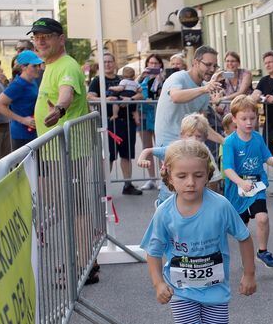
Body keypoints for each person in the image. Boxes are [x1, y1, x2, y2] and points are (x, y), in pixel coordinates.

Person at [141, 139, 257, 324]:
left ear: (208, 174)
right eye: (182, 176)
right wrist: (158, 283)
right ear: (169, 174)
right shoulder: (165, 212)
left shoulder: (220, 206)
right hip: (181, 290)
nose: (190, 182)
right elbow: (153, 251)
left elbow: (243, 236)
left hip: (215, 289)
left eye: (198, 175)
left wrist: (249, 274)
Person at [222, 95, 273, 269]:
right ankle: (244, 257)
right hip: (237, 189)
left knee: (262, 218)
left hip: (257, 186)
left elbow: (266, 156)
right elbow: (228, 169)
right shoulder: (230, 142)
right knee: (241, 228)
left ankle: (263, 251)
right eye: (244, 119)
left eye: (252, 118)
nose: (249, 122)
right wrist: (240, 182)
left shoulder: (257, 137)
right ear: (234, 119)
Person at [88, 53, 144, 195]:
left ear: (114, 63)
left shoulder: (123, 79)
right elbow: (90, 97)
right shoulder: (97, 80)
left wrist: (130, 100)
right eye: (105, 62)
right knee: (109, 155)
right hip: (109, 122)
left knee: (127, 155)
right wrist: (105, 99)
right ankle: (103, 187)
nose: (107, 64)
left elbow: (140, 94)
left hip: (127, 121)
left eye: (110, 61)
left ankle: (127, 184)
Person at [138, 113, 219, 208]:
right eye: (190, 135)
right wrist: (141, 159)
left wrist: (212, 200)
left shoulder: (204, 153)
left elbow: (214, 178)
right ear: (182, 135)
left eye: (198, 136)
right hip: (167, 198)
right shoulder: (174, 149)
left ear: (205, 137)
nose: (194, 139)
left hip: (189, 199)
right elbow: (148, 150)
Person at [30, 18, 89, 135]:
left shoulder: (67, 66)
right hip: (55, 148)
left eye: (46, 36)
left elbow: (67, 93)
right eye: (36, 37)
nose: (40, 42)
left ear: (61, 39)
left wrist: (58, 110)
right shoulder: (52, 64)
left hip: (69, 149)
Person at [0, 50, 42, 152]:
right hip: (21, 134)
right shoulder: (18, 84)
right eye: (34, 66)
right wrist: (23, 120)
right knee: (25, 167)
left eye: (39, 65)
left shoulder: (32, 81)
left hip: (33, 131)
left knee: (35, 166)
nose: (38, 68)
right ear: (23, 67)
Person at [137, 54, 166, 190]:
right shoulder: (143, 79)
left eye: (156, 63)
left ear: (160, 65)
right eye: (151, 63)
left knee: (160, 147)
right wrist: (141, 77)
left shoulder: (164, 79)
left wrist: (159, 79)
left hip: (158, 115)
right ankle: (151, 179)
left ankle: (163, 178)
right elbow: (133, 90)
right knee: (146, 147)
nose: (153, 66)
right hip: (144, 114)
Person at [213, 51, 253, 117]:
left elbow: (241, 92)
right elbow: (215, 93)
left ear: (238, 63)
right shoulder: (222, 75)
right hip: (228, 113)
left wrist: (223, 99)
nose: (230, 63)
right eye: (227, 61)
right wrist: (216, 78)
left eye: (233, 61)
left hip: (244, 111)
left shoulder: (245, 73)